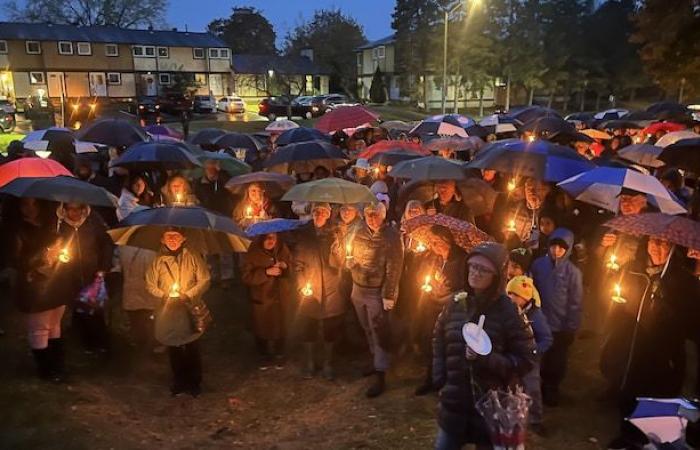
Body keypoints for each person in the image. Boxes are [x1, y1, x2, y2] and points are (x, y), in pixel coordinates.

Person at [432, 242, 536, 449]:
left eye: (483, 269)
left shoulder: (509, 312)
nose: (475, 273)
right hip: (455, 401)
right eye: (472, 266)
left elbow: (527, 358)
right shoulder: (456, 302)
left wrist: (486, 358)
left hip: (490, 406)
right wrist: (440, 377)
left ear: (496, 276)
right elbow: (439, 337)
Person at [9, 198, 75, 381]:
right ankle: (46, 370)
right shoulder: (17, 231)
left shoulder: (52, 226)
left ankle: (58, 366)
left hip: (55, 283)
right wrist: (41, 258)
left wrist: (61, 252)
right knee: (39, 327)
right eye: (24, 204)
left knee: (54, 325)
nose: (30, 209)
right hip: (34, 287)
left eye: (33, 204)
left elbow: (63, 253)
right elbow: (16, 260)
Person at [346, 202, 404, 397]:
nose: (372, 218)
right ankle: (375, 360)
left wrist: (388, 294)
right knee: (366, 328)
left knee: (379, 330)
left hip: (376, 292)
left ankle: (381, 374)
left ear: (383, 215)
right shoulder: (357, 230)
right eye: (369, 215)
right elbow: (346, 252)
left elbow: (394, 268)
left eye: (375, 215)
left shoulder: (391, 237)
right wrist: (348, 260)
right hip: (357, 287)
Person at [145, 228, 211, 397]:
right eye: (169, 236)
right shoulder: (157, 261)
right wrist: (165, 295)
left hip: (189, 309)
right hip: (168, 311)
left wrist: (188, 294)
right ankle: (179, 380)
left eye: (176, 236)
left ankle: (195, 382)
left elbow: (204, 279)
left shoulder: (192, 256)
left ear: (183, 238)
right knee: (173, 346)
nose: (172, 239)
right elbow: (150, 284)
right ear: (162, 239)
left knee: (192, 345)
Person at [292, 203, 345, 380]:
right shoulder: (304, 234)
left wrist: (336, 250)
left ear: (328, 214)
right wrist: (301, 284)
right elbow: (298, 263)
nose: (319, 214)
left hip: (331, 288)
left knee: (331, 327)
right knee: (309, 325)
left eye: (323, 211)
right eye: (316, 211)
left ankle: (328, 363)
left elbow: (339, 264)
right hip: (310, 286)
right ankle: (310, 361)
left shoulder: (335, 233)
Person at [531, 228, 583, 406]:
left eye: (561, 248)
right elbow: (531, 287)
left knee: (556, 359)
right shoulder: (538, 265)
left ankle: (552, 387)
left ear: (568, 250)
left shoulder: (573, 273)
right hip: (539, 320)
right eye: (554, 246)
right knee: (537, 354)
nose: (556, 251)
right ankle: (534, 385)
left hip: (559, 326)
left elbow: (575, 302)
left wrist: (571, 327)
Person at [414, 225, 467, 396]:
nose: (433, 245)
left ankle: (449, 382)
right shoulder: (434, 258)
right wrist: (427, 285)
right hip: (432, 305)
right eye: (431, 242)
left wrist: (447, 291)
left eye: (436, 242)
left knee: (449, 345)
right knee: (430, 342)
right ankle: (431, 377)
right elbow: (422, 275)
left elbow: (465, 289)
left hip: (452, 309)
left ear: (447, 241)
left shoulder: (461, 260)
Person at [56, 202, 114, 354]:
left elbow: (106, 244)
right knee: (78, 309)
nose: (73, 213)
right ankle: (85, 342)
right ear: (64, 209)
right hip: (70, 275)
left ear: (83, 209)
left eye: (77, 209)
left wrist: (103, 268)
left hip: (92, 273)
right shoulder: (59, 226)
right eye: (70, 209)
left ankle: (102, 342)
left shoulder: (93, 222)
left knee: (95, 309)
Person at [506, 275, 552, 434]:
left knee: (532, 389)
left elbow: (546, 338)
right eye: (509, 294)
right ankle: (512, 414)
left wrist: (534, 352)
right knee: (511, 386)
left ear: (525, 298)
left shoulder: (535, 316)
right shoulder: (507, 312)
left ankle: (535, 419)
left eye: (515, 295)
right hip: (512, 357)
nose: (511, 298)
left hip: (530, 361)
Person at [241, 232, 292, 370]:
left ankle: (279, 353)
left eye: (273, 237)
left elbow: (291, 267)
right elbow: (246, 277)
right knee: (261, 326)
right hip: (262, 297)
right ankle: (263, 355)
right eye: (267, 238)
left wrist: (286, 267)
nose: (271, 240)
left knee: (281, 325)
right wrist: (266, 273)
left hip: (281, 297)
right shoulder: (252, 252)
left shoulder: (283, 249)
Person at [118, 245, 158, 354]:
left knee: (136, 317)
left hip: (132, 289)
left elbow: (118, 266)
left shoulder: (123, 247)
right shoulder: (154, 247)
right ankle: (152, 341)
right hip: (147, 290)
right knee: (149, 316)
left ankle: (140, 341)